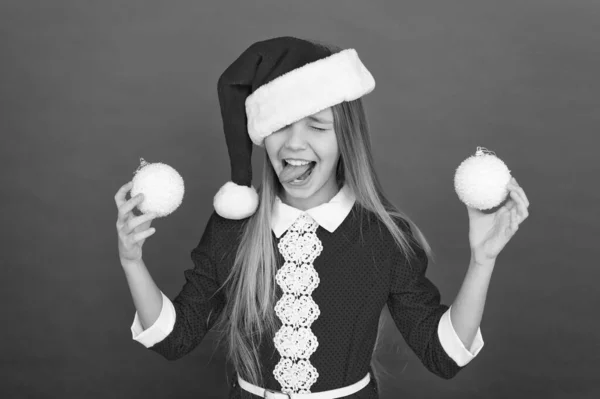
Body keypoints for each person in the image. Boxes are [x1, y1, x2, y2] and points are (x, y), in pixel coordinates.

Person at [114, 36, 530, 399]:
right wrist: (132, 262)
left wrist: (482, 261)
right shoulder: (234, 229)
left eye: (317, 126)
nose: (295, 144)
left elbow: (444, 355)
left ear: (344, 139)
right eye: (281, 126)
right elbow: (175, 338)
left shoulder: (384, 237)